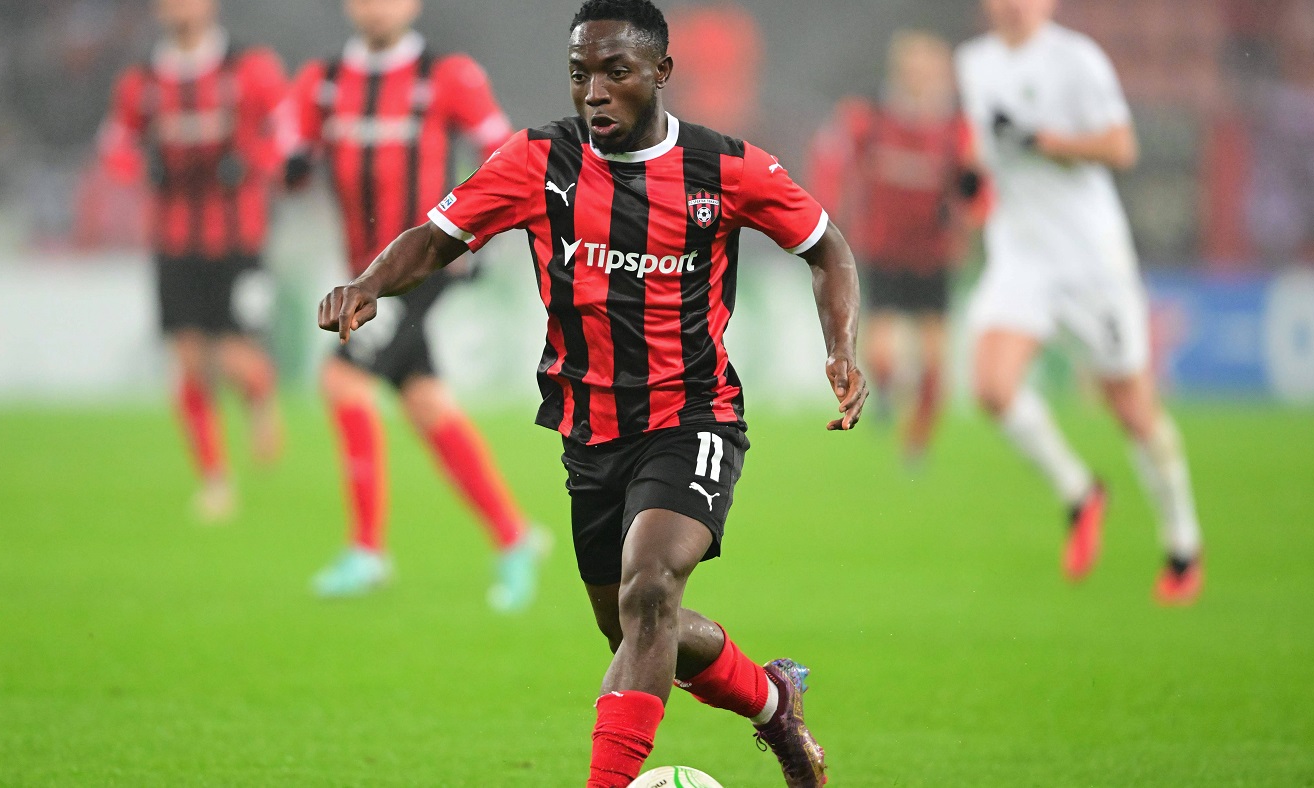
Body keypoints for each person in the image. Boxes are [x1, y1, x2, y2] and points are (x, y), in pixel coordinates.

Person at [317, 1, 866, 783]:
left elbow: (826, 247)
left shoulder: (725, 168)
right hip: (590, 433)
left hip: (693, 415)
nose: (595, 92)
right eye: (581, 75)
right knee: (636, 629)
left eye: (616, 73)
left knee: (651, 592)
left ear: (661, 72)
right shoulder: (537, 160)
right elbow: (438, 237)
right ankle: (775, 702)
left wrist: (840, 348)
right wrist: (369, 284)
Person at [281, 0, 547, 607]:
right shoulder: (324, 82)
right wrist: (288, 161)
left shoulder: (446, 76)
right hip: (364, 273)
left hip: (422, 265)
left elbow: (505, 151)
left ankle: (366, 551)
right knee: (425, 401)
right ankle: (513, 537)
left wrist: (483, 228)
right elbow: (285, 144)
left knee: (342, 379)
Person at [956, 0, 1205, 603]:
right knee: (991, 386)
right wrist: (971, 181)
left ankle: (1182, 541)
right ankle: (1080, 492)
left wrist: (1044, 141)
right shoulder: (975, 62)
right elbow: (984, 150)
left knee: (1132, 407)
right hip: (1021, 253)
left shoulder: (1077, 59)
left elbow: (1122, 147)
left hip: (1090, 259)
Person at [98, 0, 286, 522]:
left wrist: (250, 162)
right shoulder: (141, 82)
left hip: (239, 238)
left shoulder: (249, 68)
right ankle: (215, 479)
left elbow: (286, 133)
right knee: (188, 358)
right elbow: (115, 146)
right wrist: (142, 166)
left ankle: (260, 396)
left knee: (235, 358)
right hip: (174, 240)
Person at [809, 30, 989, 466]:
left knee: (934, 361)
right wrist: (825, 217)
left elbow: (979, 189)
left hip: (933, 255)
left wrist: (972, 215)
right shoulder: (869, 116)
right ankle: (888, 393)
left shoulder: (958, 128)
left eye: (928, 71)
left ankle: (916, 445)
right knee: (881, 352)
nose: (919, 80)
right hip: (883, 250)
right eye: (912, 70)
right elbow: (830, 160)